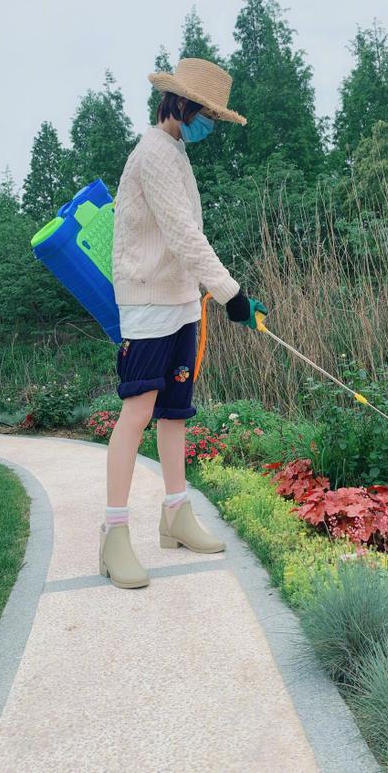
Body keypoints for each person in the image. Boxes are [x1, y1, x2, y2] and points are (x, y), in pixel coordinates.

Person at [99, 57, 268, 589]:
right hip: (147, 302)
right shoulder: (153, 153)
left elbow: (186, 239)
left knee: (175, 410)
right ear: (183, 106)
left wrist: (208, 294)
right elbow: (183, 235)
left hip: (179, 300)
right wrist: (233, 295)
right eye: (207, 116)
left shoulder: (174, 151)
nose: (209, 126)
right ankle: (114, 534)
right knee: (138, 411)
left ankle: (176, 513)